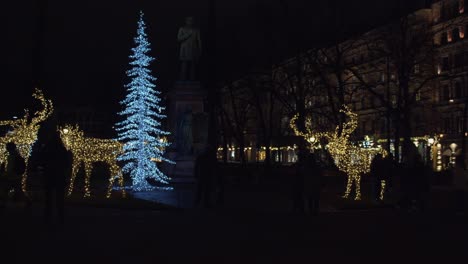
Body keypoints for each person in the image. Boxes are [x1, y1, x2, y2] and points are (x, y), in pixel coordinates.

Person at [32, 114, 71, 227]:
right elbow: (66, 162)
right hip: (59, 176)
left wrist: (41, 167)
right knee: (59, 199)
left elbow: (41, 160)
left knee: (49, 198)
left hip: (49, 175)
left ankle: (48, 218)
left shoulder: (47, 148)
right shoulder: (62, 149)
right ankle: (60, 218)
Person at [0, 142, 26, 209]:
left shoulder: (12, 156)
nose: (6, 148)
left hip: (12, 177)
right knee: (18, 191)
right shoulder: (16, 155)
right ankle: (28, 202)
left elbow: (10, 168)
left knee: (5, 190)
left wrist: (5, 175)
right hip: (16, 176)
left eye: (7, 147)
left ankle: (3, 204)